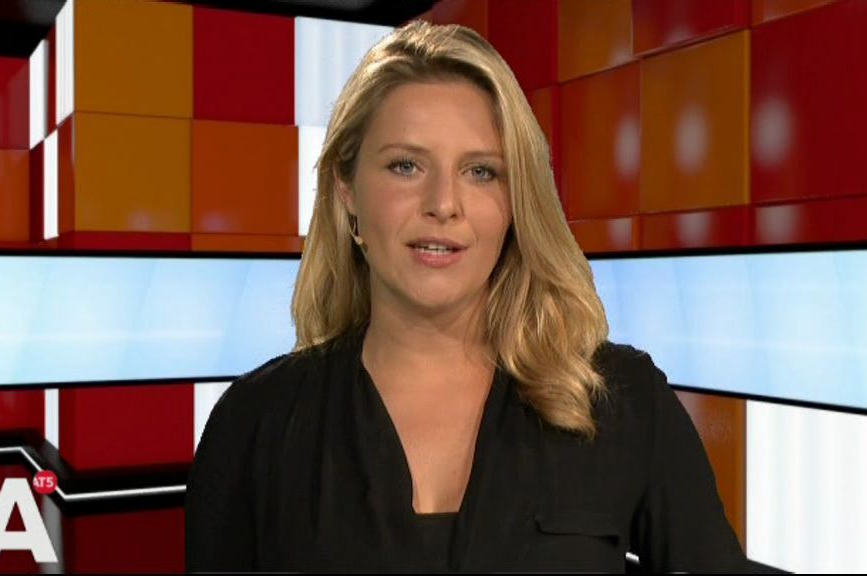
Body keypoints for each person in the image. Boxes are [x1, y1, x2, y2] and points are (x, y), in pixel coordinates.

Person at [186, 19, 755, 573]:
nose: (444, 204)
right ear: (347, 188)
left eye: (481, 172)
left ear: (516, 201)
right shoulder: (254, 424)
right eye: (405, 166)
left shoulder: (622, 399)